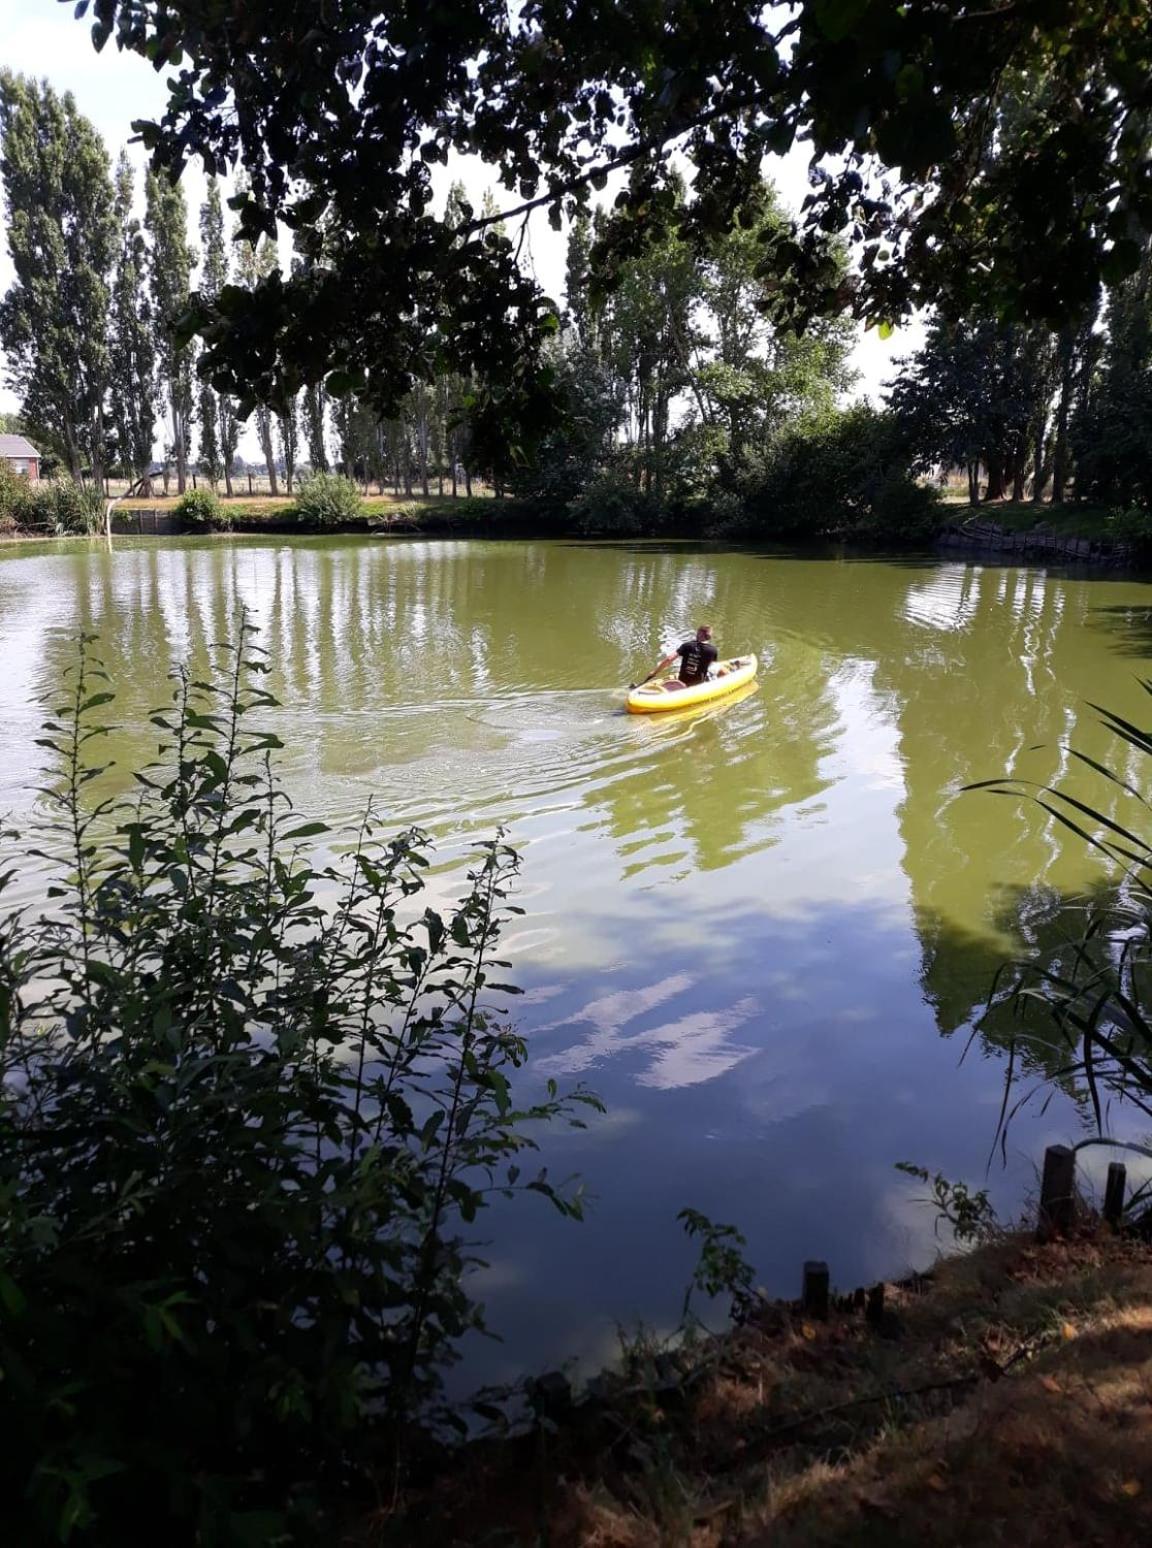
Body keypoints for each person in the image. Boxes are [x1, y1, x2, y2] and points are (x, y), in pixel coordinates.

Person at [647, 625, 719, 693]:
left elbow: (669, 659)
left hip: (681, 682)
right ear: (709, 637)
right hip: (697, 686)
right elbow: (712, 668)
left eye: (697, 633)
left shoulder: (687, 645)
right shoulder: (713, 651)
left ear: (700, 633)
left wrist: (654, 672)